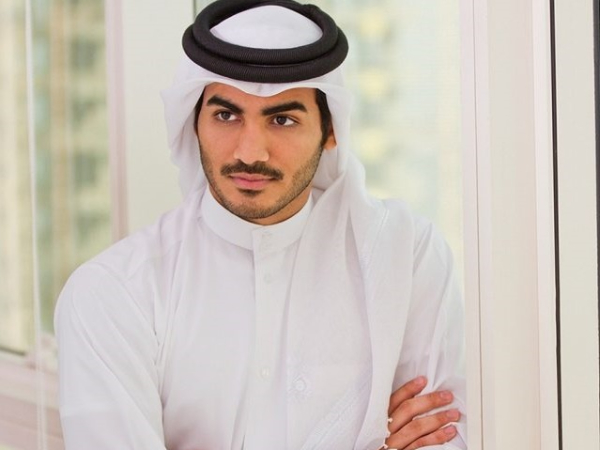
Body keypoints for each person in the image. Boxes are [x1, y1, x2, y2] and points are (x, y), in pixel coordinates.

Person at [54, 1, 466, 449]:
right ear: (194, 123)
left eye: (283, 119)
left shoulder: (405, 255)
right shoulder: (114, 291)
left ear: (331, 131)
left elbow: (446, 437)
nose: (250, 152)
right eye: (226, 115)